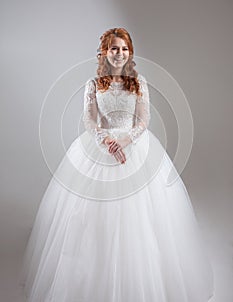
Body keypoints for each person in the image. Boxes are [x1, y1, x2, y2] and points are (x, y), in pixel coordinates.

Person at [18, 28, 214, 301]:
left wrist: (124, 141)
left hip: (134, 148)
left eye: (124, 49)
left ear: (130, 52)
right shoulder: (94, 84)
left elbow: (143, 121)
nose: (119, 53)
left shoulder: (139, 82)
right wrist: (106, 140)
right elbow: (89, 120)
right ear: (104, 53)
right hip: (100, 147)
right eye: (114, 48)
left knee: (143, 221)